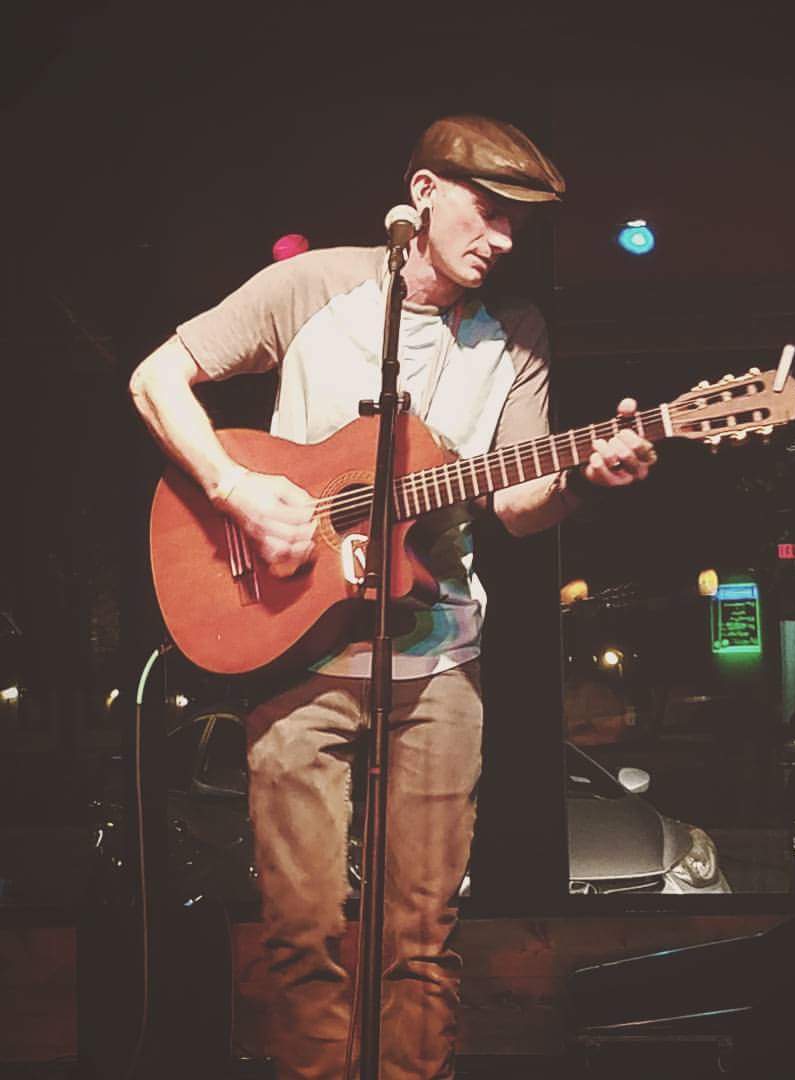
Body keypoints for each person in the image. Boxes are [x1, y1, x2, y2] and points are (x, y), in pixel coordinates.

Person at [128, 114, 655, 1080]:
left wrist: (583, 476)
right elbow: (156, 377)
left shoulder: (517, 334)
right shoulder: (313, 287)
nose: (503, 239)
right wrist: (237, 489)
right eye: (487, 211)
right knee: (300, 933)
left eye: (518, 223)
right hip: (294, 646)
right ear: (423, 193)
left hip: (439, 661)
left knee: (421, 938)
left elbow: (516, 505)